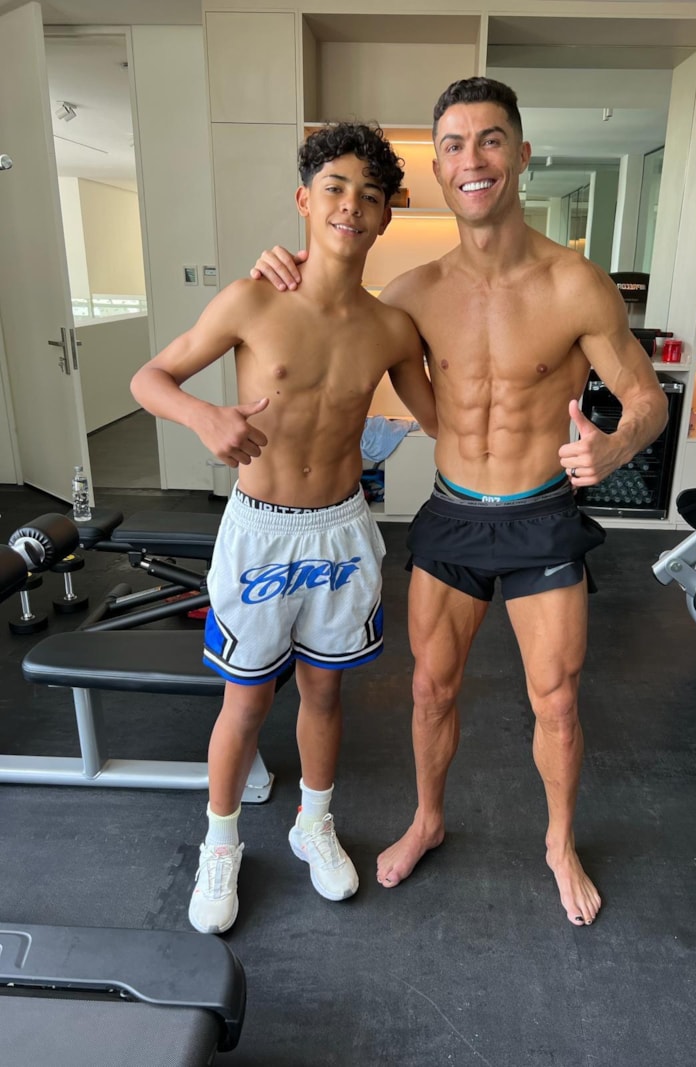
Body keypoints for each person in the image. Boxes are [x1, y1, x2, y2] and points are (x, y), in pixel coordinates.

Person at [251, 77, 668, 927]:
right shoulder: (411, 295)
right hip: (452, 512)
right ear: (437, 171)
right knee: (431, 691)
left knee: (557, 698)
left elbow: (647, 398)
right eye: (452, 144)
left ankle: (559, 842)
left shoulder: (575, 284)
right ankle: (428, 819)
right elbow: (328, 312)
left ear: (521, 154)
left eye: (489, 139)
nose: (471, 158)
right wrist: (279, 270)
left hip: (541, 513)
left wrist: (617, 443)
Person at [130, 123, 436, 934]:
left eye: (371, 195)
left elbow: (447, 419)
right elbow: (150, 377)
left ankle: (314, 823)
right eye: (335, 187)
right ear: (305, 200)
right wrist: (203, 416)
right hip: (260, 528)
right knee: (246, 698)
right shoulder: (252, 299)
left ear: (385, 217)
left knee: (325, 690)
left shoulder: (392, 327)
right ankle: (221, 842)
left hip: (340, 529)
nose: (351, 205)